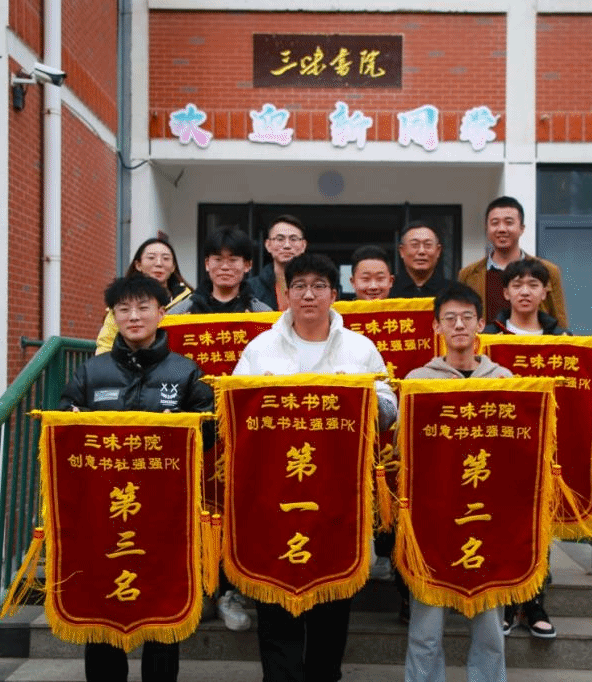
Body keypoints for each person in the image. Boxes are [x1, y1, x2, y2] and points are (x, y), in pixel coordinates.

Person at [233, 252, 397, 682]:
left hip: (338, 497)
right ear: (285, 294)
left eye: (319, 286)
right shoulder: (260, 349)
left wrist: (363, 403)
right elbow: (233, 411)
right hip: (274, 497)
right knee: (275, 598)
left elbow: (388, 408)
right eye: (300, 286)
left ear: (334, 294)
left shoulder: (360, 348)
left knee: (331, 598)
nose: (309, 295)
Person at [59, 274, 214, 682]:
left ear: (161, 313)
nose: (133, 316)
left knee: (163, 612)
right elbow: (62, 427)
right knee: (104, 605)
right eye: (124, 309)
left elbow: (211, 431)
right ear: (113, 316)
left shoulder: (186, 372)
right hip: (104, 516)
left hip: (166, 518)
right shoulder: (90, 373)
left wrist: (180, 428)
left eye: (143, 307)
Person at [403, 281, 510, 682]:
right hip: (433, 515)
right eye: (450, 318)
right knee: (426, 626)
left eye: (467, 317)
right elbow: (404, 448)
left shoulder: (503, 380)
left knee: (489, 624)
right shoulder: (418, 380)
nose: (459, 325)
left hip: (488, 515)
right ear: (436, 326)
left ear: (481, 324)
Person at [484, 258, 568, 640]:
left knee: (539, 527)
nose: (525, 291)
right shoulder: (489, 337)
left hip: (545, 447)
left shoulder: (562, 339)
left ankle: (534, 604)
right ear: (505, 292)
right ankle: (504, 602)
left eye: (533, 284)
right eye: (517, 284)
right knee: (502, 524)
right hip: (501, 445)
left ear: (545, 291)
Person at [458, 196, 568, 328]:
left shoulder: (548, 271)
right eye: (495, 223)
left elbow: (559, 323)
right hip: (485, 341)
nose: (501, 229)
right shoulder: (468, 275)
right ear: (487, 229)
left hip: (534, 340)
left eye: (509, 223)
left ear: (522, 228)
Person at [95, 237, 193, 354]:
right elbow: (106, 345)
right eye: (151, 257)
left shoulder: (190, 301)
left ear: (173, 267)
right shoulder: (121, 301)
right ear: (138, 265)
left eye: (166, 258)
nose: (159, 263)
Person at [168, 226, 271, 314]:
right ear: (207, 264)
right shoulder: (182, 312)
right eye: (218, 259)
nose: (225, 267)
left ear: (247, 265)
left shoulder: (262, 313)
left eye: (233, 260)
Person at [246, 215, 308, 311]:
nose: (287, 245)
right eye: (280, 239)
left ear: (303, 246)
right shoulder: (250, 288)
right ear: (268, 245)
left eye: (293, 239)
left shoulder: (318, 285)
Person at [388, 221, 451, 299]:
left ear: (438, 251)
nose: (421, 251)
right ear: (402, 251)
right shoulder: (388, 290)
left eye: (428, 245)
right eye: (415, 245)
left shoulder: (453, 292)